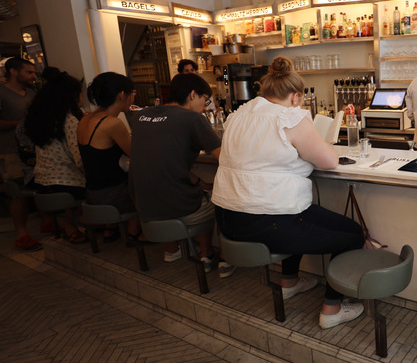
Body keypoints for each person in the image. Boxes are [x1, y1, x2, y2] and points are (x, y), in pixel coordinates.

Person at [211, 56, 365, 329]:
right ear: (295, 97)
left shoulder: (238, 114)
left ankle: (289, 282)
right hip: (267, 222)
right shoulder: (290, 116)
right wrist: (324, 143)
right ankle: (332, 308)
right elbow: (329, 161)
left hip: (227, 219)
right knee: (351, 234)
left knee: (303, 212)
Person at [130, 73, 229, 276]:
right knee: (217, 201)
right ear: (193, 94)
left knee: (191, 185)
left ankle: (171, 249)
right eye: (205, 100)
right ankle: (209, 254)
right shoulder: (193, 119)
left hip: (142, 206)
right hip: (178, 206)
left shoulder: (140, 116)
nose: (205, 106)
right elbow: (225, 158)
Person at [24, 70, 87, 244]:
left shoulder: (41, 120)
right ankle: (86, 225)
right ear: (72, 96)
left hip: (42, 182)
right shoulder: (69, 121)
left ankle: (72, 225)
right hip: (67, 185)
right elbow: (80, 159)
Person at [77, 72, 139, 242]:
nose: (133, 97)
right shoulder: (112, 123)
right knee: (152, 186)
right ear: (122, 95)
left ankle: (112, 229)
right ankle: (135, 234)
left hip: (92, 193)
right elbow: (136, 154)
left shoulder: (85, 120)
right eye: (131, 93)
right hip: (112, 196)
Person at [0, 57, 39, 250]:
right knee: (17, 193)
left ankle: (47, 221)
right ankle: (21, 233)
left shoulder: (31, 93)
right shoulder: (2, 93)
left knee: (38, 186)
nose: (33, 76)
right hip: (10, 151)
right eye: (29, 72)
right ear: (14, 72)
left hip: (34, 149)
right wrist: (22, 124)